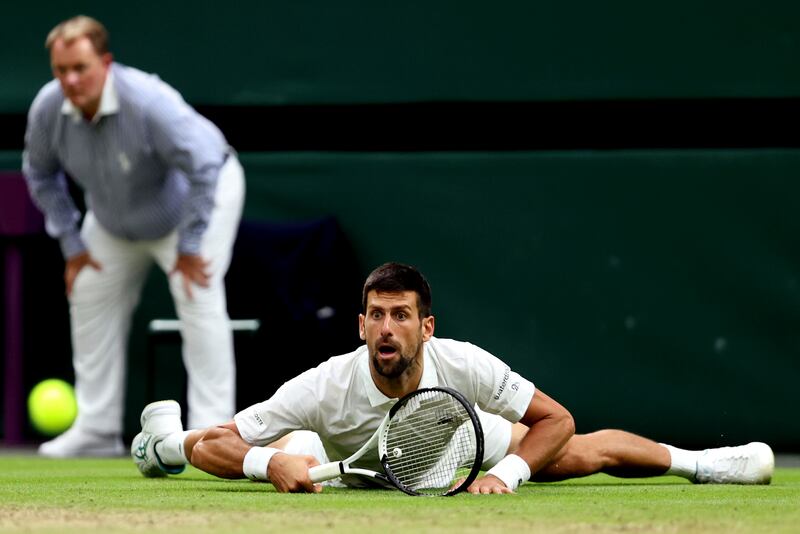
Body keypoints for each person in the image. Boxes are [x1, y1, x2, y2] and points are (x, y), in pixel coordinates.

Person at [131, 262, 774, 493]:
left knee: (581, 452)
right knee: (276, 449)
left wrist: (505, 474)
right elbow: (222, 439)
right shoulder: (325, 383)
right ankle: (161, 445)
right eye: (376, 316)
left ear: (426, 326)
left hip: (464, 448)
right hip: (358, 457)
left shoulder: (463, 362)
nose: (388, 328)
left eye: (401, 316)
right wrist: (262, 467)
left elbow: (558, 419)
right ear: (360, 326)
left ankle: (707, 463)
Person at [23, 15, 245, 457]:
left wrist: (189, 246)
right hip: (113, 220)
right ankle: (96, 429)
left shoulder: (148, 102)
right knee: (87, 289)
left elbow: (204, 165)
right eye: (61, 70)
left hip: (196, 201)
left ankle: (210, 433)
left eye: (80, 68)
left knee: (196, 290)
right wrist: (72, 244)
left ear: (105, 62)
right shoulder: (48, 109)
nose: (70, 79)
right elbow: (40, 175)